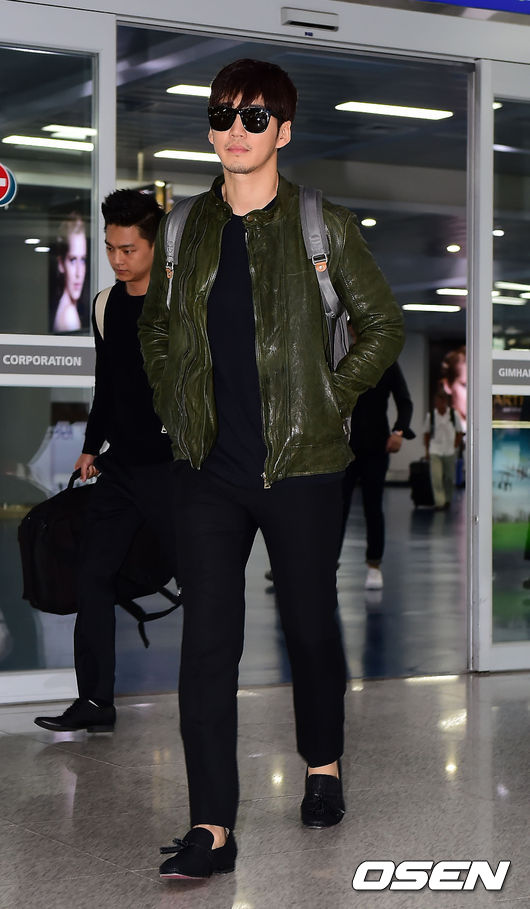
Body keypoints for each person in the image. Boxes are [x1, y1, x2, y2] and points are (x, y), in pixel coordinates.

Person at [138, 58, 404, 881]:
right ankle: (212, 826)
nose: (235, 130)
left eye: (254, 117)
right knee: (207, 645)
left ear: (283, 131)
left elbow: (383, 325)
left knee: (310, 626)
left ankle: (322, 763)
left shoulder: (323, 225)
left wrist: (330, 396)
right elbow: (156, 329)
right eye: (223, 115)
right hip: (208, 471)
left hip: (304, 464)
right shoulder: (184, 229)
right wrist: (173, 397)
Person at [35, 189, 177, 734]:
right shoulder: (104, 305)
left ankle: (213, 698)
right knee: (91, 576)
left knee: (205, 581)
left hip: (174, 467)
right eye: (111, 248)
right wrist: (92, 447)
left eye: (128, 249)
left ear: (154, 246)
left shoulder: (180, 304)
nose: (118, 259)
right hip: (121, 470)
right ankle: (95, 702)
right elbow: (108, 383)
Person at [341, 360, 415, 590]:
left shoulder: (387, 362)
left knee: (373, 508)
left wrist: (399, 431)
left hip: (376, 448)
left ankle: (374, 565)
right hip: (343, 448)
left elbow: (405, 401)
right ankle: (328, 565)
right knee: (337, 510)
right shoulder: (341, 356)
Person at [423, 387, 464, 510]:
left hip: (449, 451)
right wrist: (427, 451)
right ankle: (439, 502)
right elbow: (426, 434)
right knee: (436, 477)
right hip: (435, 450)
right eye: (437, 401)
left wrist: (455, 446)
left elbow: (459, 432)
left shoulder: (453, 414)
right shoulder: (431, 416)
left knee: (449, 478)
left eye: (441, 401)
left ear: (445, 401)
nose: (439, 403)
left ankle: (447, 499)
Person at [52, 213, 87, 332]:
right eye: (72, 260)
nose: (78, 273)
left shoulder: (67, 308)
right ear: (61, 264)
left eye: (82, 260)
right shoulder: (69, 316)